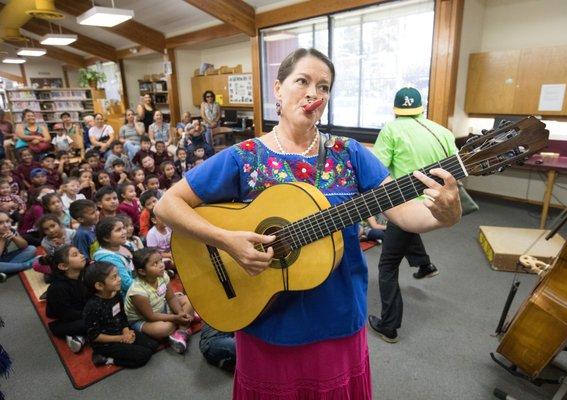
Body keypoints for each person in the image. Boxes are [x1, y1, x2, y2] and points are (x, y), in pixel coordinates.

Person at [154, 48, 461, 398]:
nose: (314, 93)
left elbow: (407, 214)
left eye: (324, 87)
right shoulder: (245, 156)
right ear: (278, 89)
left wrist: (445, 215)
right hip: (265, 318)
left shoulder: (350, 152)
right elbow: (167, 205)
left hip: (337, 313)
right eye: (302, 81)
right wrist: (226, 241)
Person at [368, 87, 461, 343]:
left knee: (387, 266)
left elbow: (376, 170)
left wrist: (370, 211)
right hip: (436, 207)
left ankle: (388, 325)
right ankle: (424, 264)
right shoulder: (442, 131)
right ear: (422, 106)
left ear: (395, 109)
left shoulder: (392, 129)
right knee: (405, 234)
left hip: (406, 207)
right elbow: (455, 172)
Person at [82, 261, 159, 367]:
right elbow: (95, 336)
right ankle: (106, 359)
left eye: (118, 275)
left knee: (153, 345)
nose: (119, 279)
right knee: (144, 355)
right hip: (106, 343)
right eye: (114, 277)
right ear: (99, 285)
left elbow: (122, 316)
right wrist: (121, 338)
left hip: (120, 332)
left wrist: (126, 331)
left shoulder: (116, 294)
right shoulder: (92, 307)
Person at [125, 247, 194, 354]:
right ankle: (185, 325)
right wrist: (176, 318)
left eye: (161, 260)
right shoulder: (137, 291)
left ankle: (181, 332)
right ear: (142, 271)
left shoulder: (162, 275)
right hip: (143, 319)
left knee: (188, 300)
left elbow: (171, 298)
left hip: (161, 307)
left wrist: (180, 313)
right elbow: (150, 316)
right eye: (155, 264)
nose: (161, 265)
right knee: (165, 328)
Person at [44, 245, 89, 353]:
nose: (82, 255)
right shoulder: (58, 288)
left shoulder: (83, 272)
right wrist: (90, 313)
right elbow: (66, 314)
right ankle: (72, 334)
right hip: (63, 320)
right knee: (95, 320)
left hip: (80, 308)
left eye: (79, 252)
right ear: (63, 266)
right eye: (75, 255)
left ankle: (80, 336)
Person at [92, 217, 135, 296]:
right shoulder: (108, 258)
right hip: (127, 297)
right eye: (118, 230)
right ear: (106, 238)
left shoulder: (122, 245)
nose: (124, 232)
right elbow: (126, 284)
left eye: (123, 228)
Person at [0, 211, 37, 282]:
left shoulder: (11, 230)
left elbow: (24, 245)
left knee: (31, 249)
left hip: (3, 259)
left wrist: (14, 237)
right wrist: (2, 240)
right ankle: (28, 265)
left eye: (7, 221)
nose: (6, 225)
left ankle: (7, 270)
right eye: (0, 223)